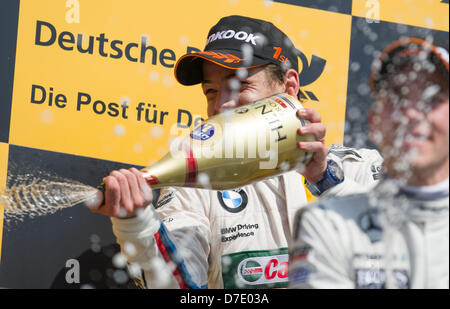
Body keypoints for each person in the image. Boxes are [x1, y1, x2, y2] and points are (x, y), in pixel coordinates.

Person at [90, 15, 383, 289]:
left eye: (239, 85)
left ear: (289, 85)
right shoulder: (195, 187)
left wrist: (324, 180)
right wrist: (137, 226)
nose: (221, 106)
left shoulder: (360, 170)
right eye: (211, 92)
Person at [289, 37, 449, 289]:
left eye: (431, 99)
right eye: (397, 98)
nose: (411, 113)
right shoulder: (328, 223)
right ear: (374, 121)